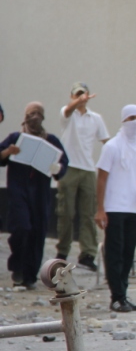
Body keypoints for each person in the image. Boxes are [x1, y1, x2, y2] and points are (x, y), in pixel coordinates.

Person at [0, 103, 68, 290]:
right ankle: (18, 270)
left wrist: (58, 169)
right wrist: (8, 152)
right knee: (21, 227)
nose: (35, 117)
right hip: (18, 191)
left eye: (39, 114)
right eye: (31, 113)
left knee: (37, 232)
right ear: (25, 116)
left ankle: (30, 275)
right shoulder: (16, 137)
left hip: (40, 193)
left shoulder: (51, 140)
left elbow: (63, 162)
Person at [94, 105, 136, 312]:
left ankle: (123, 294)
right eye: (131, 118)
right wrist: (100, 208)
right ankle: (116, 297)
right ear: (123, 120)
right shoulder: (112, 147)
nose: (135, 122)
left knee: (128, 253)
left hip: (133, 208)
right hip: (114, 207)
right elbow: (101, 177)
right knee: (114, 253)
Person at [56, 82, 110, 271]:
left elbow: (106, 141)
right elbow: (67, 111)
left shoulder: (95, 118)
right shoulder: (67, 114)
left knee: (88, 213)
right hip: (69, 167)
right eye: (77, 95)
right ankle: (62, 251)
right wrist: (76, 102)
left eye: (83, 95)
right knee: (66, 212)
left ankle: (88, 254)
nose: (80, 98)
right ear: (72, 97)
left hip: (87, 168)